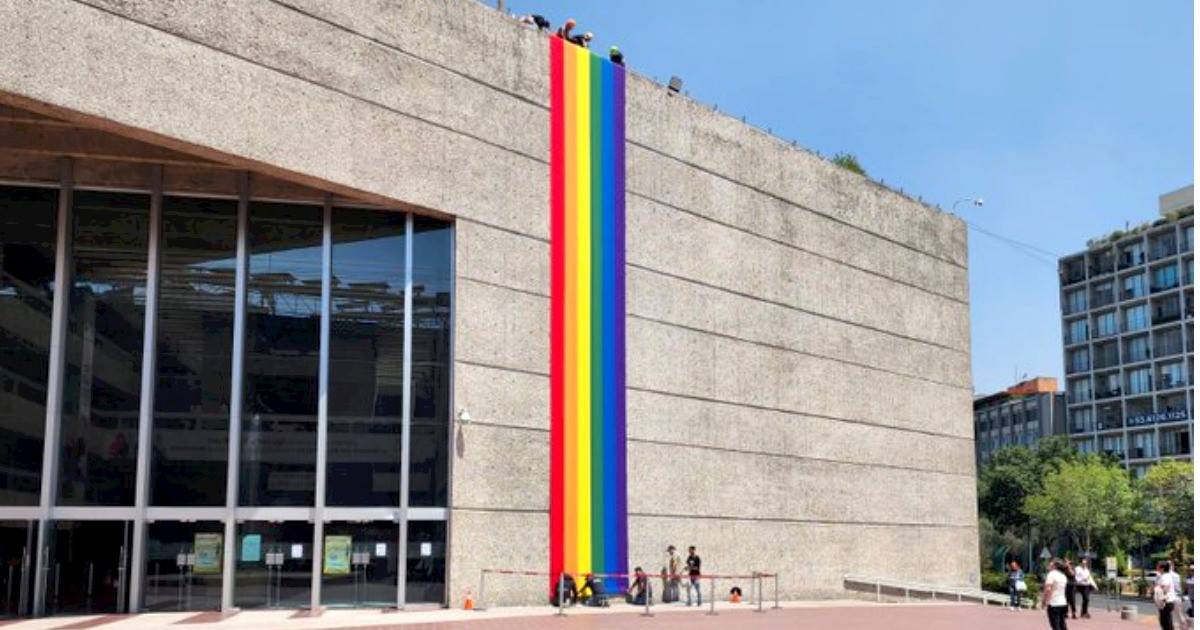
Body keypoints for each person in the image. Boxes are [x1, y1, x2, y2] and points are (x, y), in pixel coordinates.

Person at [1043, 558, 1070, 630]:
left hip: (1054, 603)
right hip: (1063, 603)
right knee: (1062, 624)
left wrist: (1044, 601)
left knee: (1055, 625)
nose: (1049, 564)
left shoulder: (1051, 574)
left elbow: (1048, 589)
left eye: (1051, 563)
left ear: (1055, 566)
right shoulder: (1063, 576)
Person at [1156, 561, 1180, 630]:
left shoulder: (1165, 577)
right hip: (1167, 601)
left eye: (1158, 566)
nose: (1157, 567)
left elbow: (1165, 588)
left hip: (1166, 602)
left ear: (1162, 568)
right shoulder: (1165, 576)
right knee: (1165, 621)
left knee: (1165, 622)